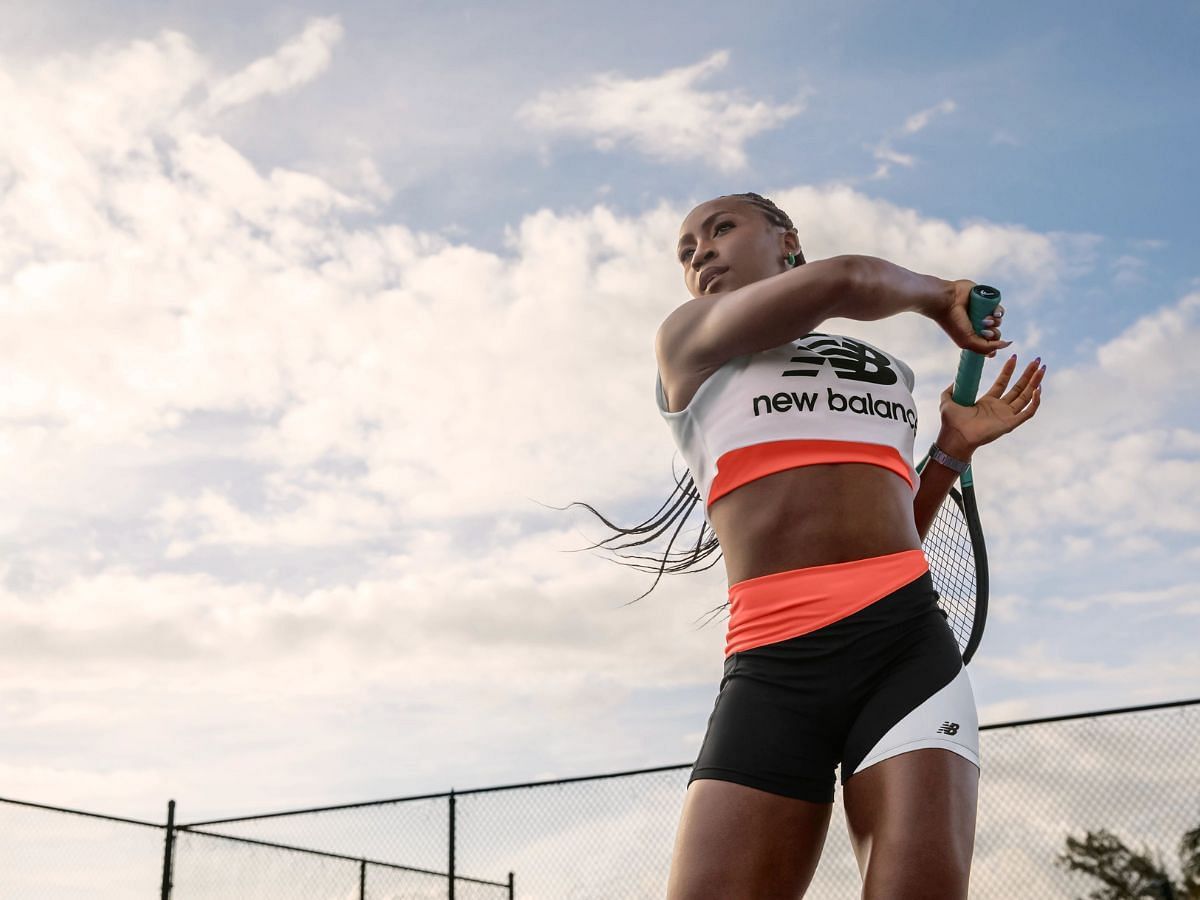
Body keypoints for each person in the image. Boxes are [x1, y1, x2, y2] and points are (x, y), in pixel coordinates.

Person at [645, 193, 1045, 899]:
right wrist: (939, 296)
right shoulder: (689, 341)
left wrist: (950, 449)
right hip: (774, 668)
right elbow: (848, 279)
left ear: (786, 240)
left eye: (721, 228)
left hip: (906, 650)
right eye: (686, 250)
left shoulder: (888, 370)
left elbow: (898, 531)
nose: (700, 251)